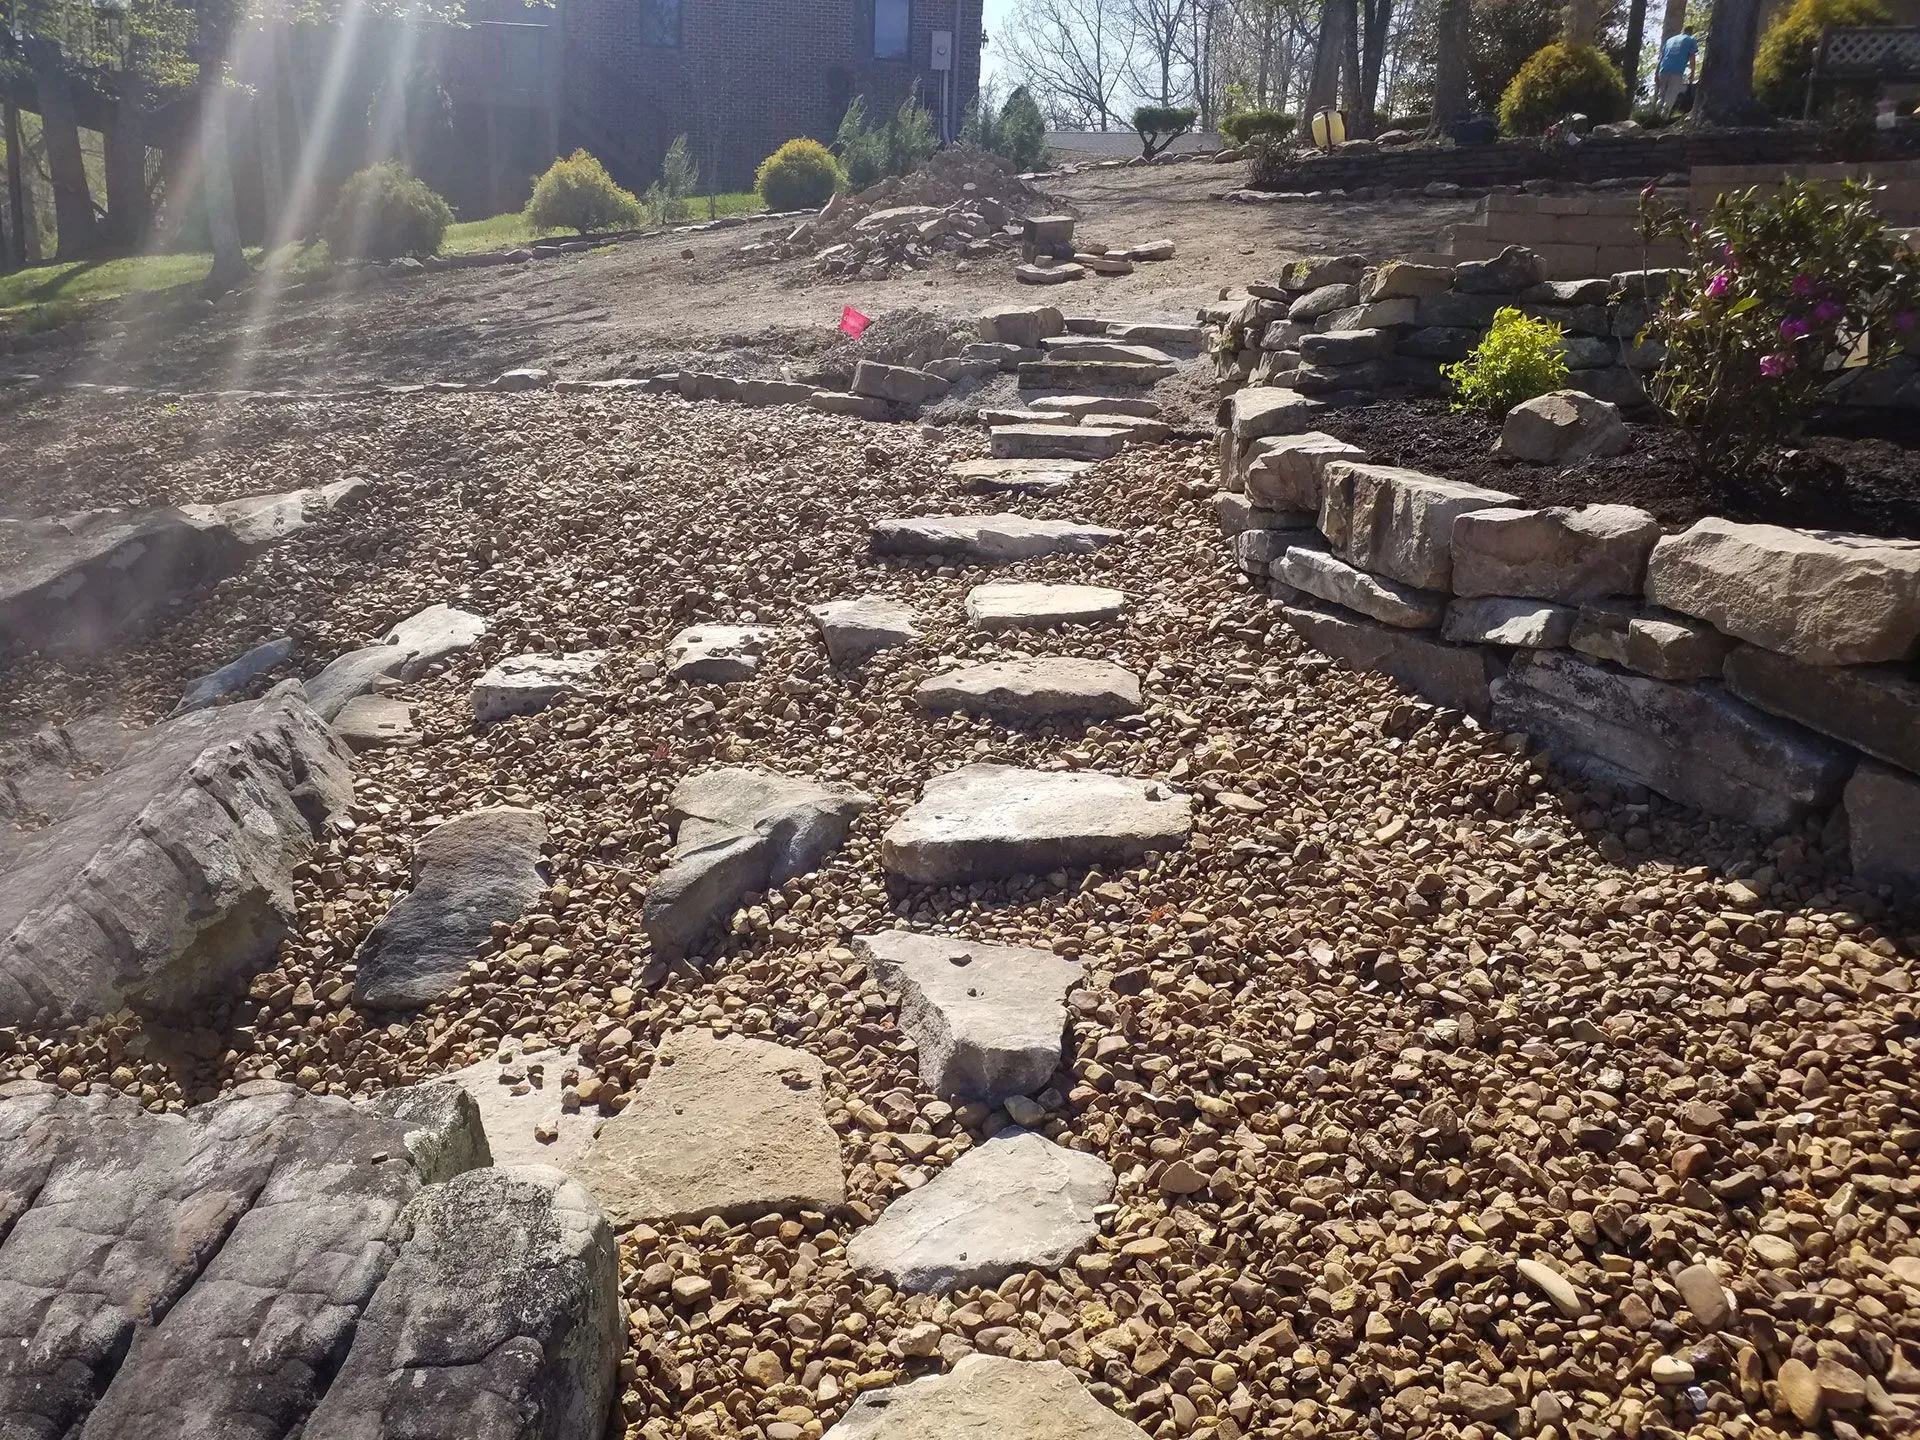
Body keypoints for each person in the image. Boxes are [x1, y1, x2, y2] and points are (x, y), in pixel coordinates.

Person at [1658, 25, 1699, 117]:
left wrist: (1656, 73)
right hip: (1677, 70)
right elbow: (1692, 57)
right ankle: (1662, 118)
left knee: (1662, 96)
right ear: (1691, 32)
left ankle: (1654, 117)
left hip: (1663, 69)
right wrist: (1692, 73)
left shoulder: (1670, 40)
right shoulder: (1690, 40)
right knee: (1670, 96)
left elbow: (1661, 57)